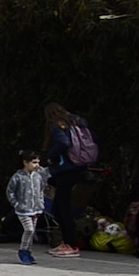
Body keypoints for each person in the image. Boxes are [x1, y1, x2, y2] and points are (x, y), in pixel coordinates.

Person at [43, 103, 95, 258]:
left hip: (65, 168)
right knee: (59, 207)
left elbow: (64, 142)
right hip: (79, 166)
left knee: (62, 207)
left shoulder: (57, 125)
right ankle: (67, 241)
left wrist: (51, 157)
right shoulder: (78, 121)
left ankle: (71, 244)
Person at [6, 151, 46, 266]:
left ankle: (28, 252)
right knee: (29, 229)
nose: (37, 165)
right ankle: (23, 250)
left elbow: (41, 190)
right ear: (25, 162)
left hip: (36, 209)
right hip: (23, 210)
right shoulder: (18, 176)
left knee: (32, 231)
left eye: (38, 162)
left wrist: (41, 203)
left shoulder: (38, 176)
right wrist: (17, 204)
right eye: (34, 162)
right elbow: (10, 192)